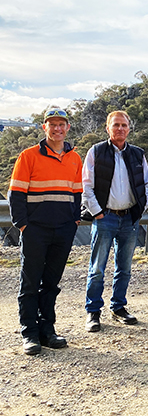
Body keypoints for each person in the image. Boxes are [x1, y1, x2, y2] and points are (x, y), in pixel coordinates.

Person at [9, 108, 83, 355]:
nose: (57, 129)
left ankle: (47, 330)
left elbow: (76, 194)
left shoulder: (74, 158)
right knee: (30, 282)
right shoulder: (28, 155)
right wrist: (23, 225)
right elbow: (16, 193)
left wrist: (73, 223)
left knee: (51, 283)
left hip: (63, 230)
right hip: (36, 230)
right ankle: (29, 333)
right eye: (52, 125)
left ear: (68, 128)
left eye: (61, 124)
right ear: (45, 128)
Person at [82, 110, 148, 333]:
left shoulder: (138, 154)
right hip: (105, 217)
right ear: (107, 128)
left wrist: (139, 210)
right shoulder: (96, 152)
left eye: (124, 125)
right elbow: (87, 186)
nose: (120, 128)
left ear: (129, 128)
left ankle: (118, 307)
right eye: (116, 125)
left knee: (125, 268)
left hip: (129, 218)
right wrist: (98, 213)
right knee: (97, 268)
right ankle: (93, 312)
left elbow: (146, 185)